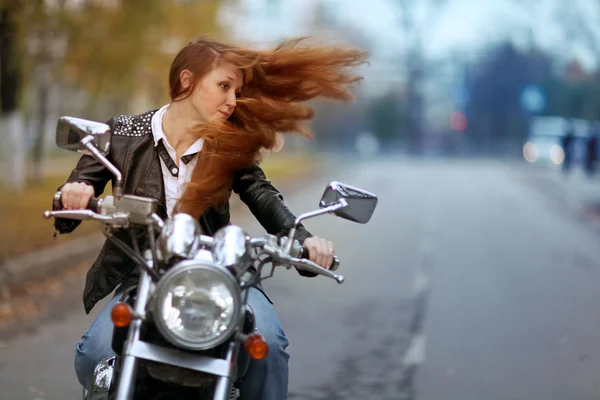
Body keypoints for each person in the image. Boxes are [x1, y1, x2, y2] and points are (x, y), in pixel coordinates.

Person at [54, 36, 368, 399]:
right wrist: (75, 191)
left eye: (237, 91)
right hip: (142, 272)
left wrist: (303, 239)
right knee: (94, 353)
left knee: (269, 346)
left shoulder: (229, 145)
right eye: (224, 86)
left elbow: (262, 196)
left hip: (219, 274)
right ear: (187, 80)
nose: (232, 101)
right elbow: (77, 188)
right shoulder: (123, 133)